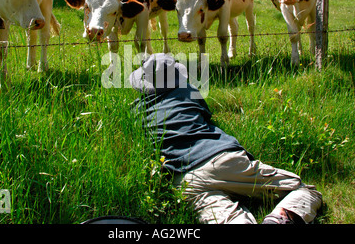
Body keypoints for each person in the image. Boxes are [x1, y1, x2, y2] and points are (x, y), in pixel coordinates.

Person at [129, 53, 322, 224]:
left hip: (183, 180)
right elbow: (205, 116)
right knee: (303, 190)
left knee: (227, 218)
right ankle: (280, 217)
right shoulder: (187, 91)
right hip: (221, 159)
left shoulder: (135, 111)